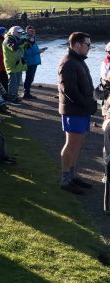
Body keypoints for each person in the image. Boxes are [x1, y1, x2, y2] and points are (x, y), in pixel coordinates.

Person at [58, 32, 96, 194]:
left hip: (81, 110)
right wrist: (87, 104)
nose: (90, 48)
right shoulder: (68, 62)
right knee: (71, 144)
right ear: (78, 44)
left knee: (78, 143)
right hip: (73, 111)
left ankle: (72, 175)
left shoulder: (77, 60)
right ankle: (65, 179)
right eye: (88, 44)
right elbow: (69, 91)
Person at [2, 26, 26, 104]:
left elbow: (26, 47)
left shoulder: (17, 39)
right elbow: (13, 48)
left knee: (18, 82)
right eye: (18, 32)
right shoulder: (8, 39)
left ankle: (15, 97)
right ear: (13, 32)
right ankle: (11, 98)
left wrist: (28, 40)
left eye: (21, 32)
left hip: (18, 64)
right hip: (11, 64)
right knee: (13, 82)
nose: (20, 34)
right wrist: (21, 41)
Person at [22, 26, 47, 99]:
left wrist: (39, 51)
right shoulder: (26, 40)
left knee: (30, 78)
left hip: (33, 62)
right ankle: (26, 94)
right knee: (29, 78)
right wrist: (38, 51)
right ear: (26, 31)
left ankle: (27, 93)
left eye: (33, 31)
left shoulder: (32, 39)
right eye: (31, 31)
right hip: (30, 62)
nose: (33, 32)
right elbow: (27, 52)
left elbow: (32, 50)